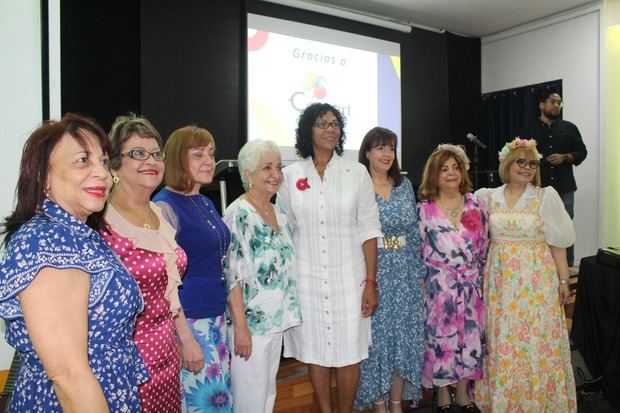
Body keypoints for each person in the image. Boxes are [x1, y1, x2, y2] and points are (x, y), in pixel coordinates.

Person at [0, 113, 147, 412]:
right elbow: (67, 376)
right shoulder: (49, 241)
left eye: (104, 162)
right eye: (82, 160)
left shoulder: (78, 235)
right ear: (44, 177)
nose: (102, 174)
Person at [277, 103, 382, 413]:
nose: (330, 129)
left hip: (350, 278)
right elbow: (284, 230)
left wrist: (371, 283)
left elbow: (368, 230)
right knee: (315, 351)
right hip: (306, 279)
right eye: (322, 123)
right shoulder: (290, 175)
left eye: (335, 124)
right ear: (308, 130)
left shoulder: (356, 172)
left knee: (350, 351)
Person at [474, 138, 577, 412]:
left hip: (537, 283)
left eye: (532, 163)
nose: (527, 168)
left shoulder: (545, 197)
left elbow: (558, 245)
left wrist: (564, 280)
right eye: (521, 161)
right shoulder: (487, 196)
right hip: (501, 284)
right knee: (504, 340)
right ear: (508, 163)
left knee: (535, 340)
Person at [101, 114, 187, 412]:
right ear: (113, 165)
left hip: (167, 356)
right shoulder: (99, 224)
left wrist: (185, 339)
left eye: (155, 153)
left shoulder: (160, 214)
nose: (150, 160)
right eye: (137, 153)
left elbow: (170, 291)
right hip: (128, 368)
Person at [153, 126, 232, 413]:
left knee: (218, 403)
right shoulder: (164, 206)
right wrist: (186, 338)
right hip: (190, 323)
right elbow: (163, 283)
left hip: (215, 321)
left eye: (211, 153)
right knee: (203, 404)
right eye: (197, 154)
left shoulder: (205, 202)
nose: (209, 161)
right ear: (176, 159)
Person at [223, 139, 301, 413]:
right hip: (251, 329)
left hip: (275, 321)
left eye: (278, 167)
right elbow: (231, 276)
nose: (276, 174)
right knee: (249, 402)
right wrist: (241, 329)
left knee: (267, 395)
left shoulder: (277, 210)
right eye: (266, 167)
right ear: (248, 174)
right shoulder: (238, 214)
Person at [354, 127, 426, 413]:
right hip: (374, 271)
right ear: (367, 152)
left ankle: (396, 404)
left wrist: (419, 273)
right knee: (377, 343)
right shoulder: (358, 186)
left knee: (403, 341)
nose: (387, 154)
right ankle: (379, 404)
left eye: (392, 148)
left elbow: (414, 231)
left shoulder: (404, 185)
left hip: (405, 273)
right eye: (381, 147)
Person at [417, 144, 488, 413]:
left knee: (469, 340)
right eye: (443, 169)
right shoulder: (424, 209)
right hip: (439, 287)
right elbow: (418, 249)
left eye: (455, 167)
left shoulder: (476, 204)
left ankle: (462, 392)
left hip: (469, 284)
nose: (450, 173)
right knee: (442, 341)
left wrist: (478, 277)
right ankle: (443, 393)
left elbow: (484, 245)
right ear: (434, 175)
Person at [520, 89, 587, 266]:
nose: (556, 105)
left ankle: (568, 267)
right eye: (552, 101)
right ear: (542, 105)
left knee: (564, 226)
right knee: (538, 226)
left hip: (564, 188)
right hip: (537, 188)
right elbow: (520, 155)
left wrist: (565, 157)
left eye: (559, 102)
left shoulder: (569, 128)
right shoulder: (529, 129)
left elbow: (582, 152)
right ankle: (541, 266)